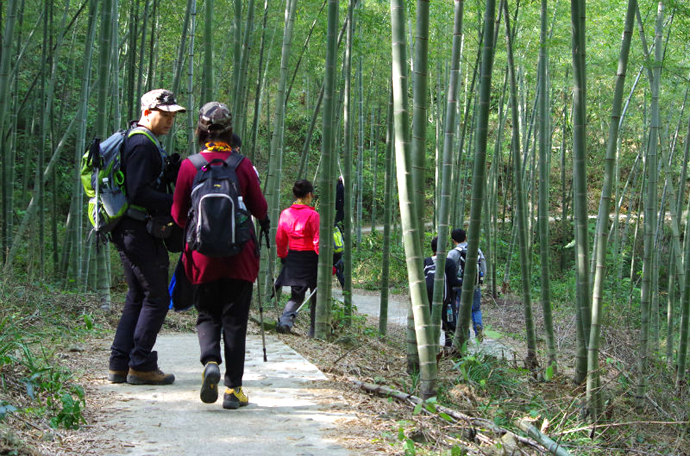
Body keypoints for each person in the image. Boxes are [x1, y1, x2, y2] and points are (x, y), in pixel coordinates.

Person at [171, 101, 269, 410]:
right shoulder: (241, 164)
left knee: (207, 314)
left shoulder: (190, 165)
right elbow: (260, 209)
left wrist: (201, 233)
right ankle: (233, 390)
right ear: (230, 131)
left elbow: (177, 214)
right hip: (239, 256)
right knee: (235, 322)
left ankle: (210, 361)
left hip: (201, 258)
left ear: (200, 130)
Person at [107, 89, 186, 385]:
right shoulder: (141, 143)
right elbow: (138, 192)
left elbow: (142, 184)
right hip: (137, 230)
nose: (169, 121)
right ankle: (140, 364)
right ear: (147, 112)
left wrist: (166, 177)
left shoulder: (141, 140)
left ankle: (119, 363)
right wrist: (176, 198)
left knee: (138, 295)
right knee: (157, 296)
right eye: (164, 115)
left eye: (172, 116)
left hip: (130, 230)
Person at [274, 180, 320, 336]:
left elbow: (280, 239)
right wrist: (327, 264)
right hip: (311, 259)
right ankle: (314, 331)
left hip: (293, 257)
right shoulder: (313, 215)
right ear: (308, 195)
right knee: (316, 297)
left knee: (296, 296)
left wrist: (283, 256)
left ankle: (285, 322)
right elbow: (318, 241)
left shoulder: (285, 213)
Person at [447, 228, 487, 342]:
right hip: (475, 286)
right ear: (466, 237)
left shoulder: (453, 253)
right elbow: (483, 266)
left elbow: (448, 270)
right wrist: (480, 281)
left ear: (453, 240)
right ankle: (478, 329)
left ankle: (465, 336)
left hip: (459, 286)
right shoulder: (477, 250)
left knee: (460, 311)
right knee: (476, 309)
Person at [424, 236, 462, 347]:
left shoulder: (426, 261)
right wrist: (464, 281)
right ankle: (447, 348)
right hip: (447, 300)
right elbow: (453, 282)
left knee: (428, 323)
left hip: (428, 300)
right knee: (449, 325)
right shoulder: (448, 262)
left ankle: (429, 347)